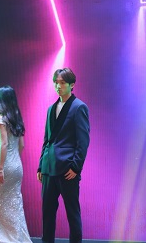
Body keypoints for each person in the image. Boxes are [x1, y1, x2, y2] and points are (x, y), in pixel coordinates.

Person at [37, 68, 90, 243]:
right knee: (47, 214)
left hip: (67, 169)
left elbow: (83, 141)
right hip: (48, 168)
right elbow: (46, 139)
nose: (58, 86)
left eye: (62, 83)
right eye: (56, 82)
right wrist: (41, 165)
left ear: (71, 85)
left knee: (72, 213)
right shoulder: (51, 108)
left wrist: (75, 167)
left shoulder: (79, 107)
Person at [0, 86, 33, 243]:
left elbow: (3, 144)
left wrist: (1, 169)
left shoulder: (1, 119)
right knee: (13, 204)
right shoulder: (17, 119)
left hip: (4, 166)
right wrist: (14, 162)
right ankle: (15, 238)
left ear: (2, 102)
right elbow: (21, 145)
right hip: (17, 167)